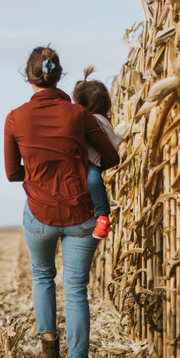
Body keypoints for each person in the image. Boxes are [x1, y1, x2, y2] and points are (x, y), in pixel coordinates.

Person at [3, 46, 121, 358]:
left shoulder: (15, 117)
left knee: (42, 277)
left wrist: (39, 171)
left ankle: (49, 354)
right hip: (80, 214)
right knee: (76, 291)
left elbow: (12, 173)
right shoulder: (78, 115)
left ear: (29, 77)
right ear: (59, 76)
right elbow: (111, 156)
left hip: (39, 213)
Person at [72, 66, 126, 239]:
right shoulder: (103, 119)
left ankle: (102, 215)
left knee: (93, 179)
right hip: (95, 159)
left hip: (93, 162)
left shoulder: (93, 121)